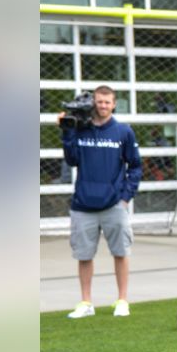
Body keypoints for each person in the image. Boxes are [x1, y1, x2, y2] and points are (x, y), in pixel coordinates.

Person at [59, 85, 142, 318]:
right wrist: (67, 132)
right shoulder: (81, 129)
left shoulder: (124, 132)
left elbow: (135, 166)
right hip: (83, 205)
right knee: (84, 256)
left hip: (114, 205)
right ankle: (86, 302)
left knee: (121, 252)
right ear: (93, 103)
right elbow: (72, 159)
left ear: (114, 104)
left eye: (107, 102)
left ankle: (122, 300)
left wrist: (125, 197)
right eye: (99, 101)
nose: (103, 106)